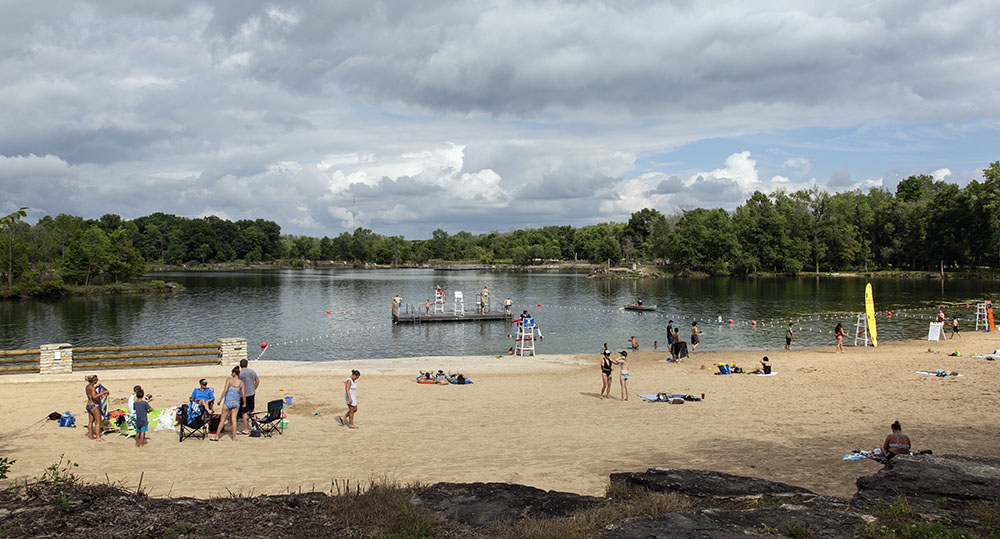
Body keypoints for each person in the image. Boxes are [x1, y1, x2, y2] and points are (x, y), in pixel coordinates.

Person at [211, 367, 245, 442]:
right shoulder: (241, 383)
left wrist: (220, 399)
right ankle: (234, 437)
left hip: (228, 401)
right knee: (233, 419)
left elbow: (225, 390)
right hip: (236, 402)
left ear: (233, 373)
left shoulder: (229, 380)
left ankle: (216, 436)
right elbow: (243, 394)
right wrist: (244, 403)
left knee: (222, 420)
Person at [238, 359, 260, 435]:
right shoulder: (252, 371)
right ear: (247, 364)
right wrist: (254, 388)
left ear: (240, 365)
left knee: (244, 412)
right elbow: (257, 381)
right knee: (252, 410)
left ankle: (246, 429)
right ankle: (254, 425)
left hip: (243, 395)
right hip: (251, 393)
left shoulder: (240, 374)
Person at [85, 375, 109, 441]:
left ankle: (90, 435)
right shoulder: (92, 387)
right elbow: (94, 396)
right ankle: (98, 437)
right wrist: (104, 393)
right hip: (94, 405)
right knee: (98, 421)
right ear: (94, 380)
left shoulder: (88, 386)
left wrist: (96, 387)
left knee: (90, 421)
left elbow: (90, 393)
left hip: (89, 405)